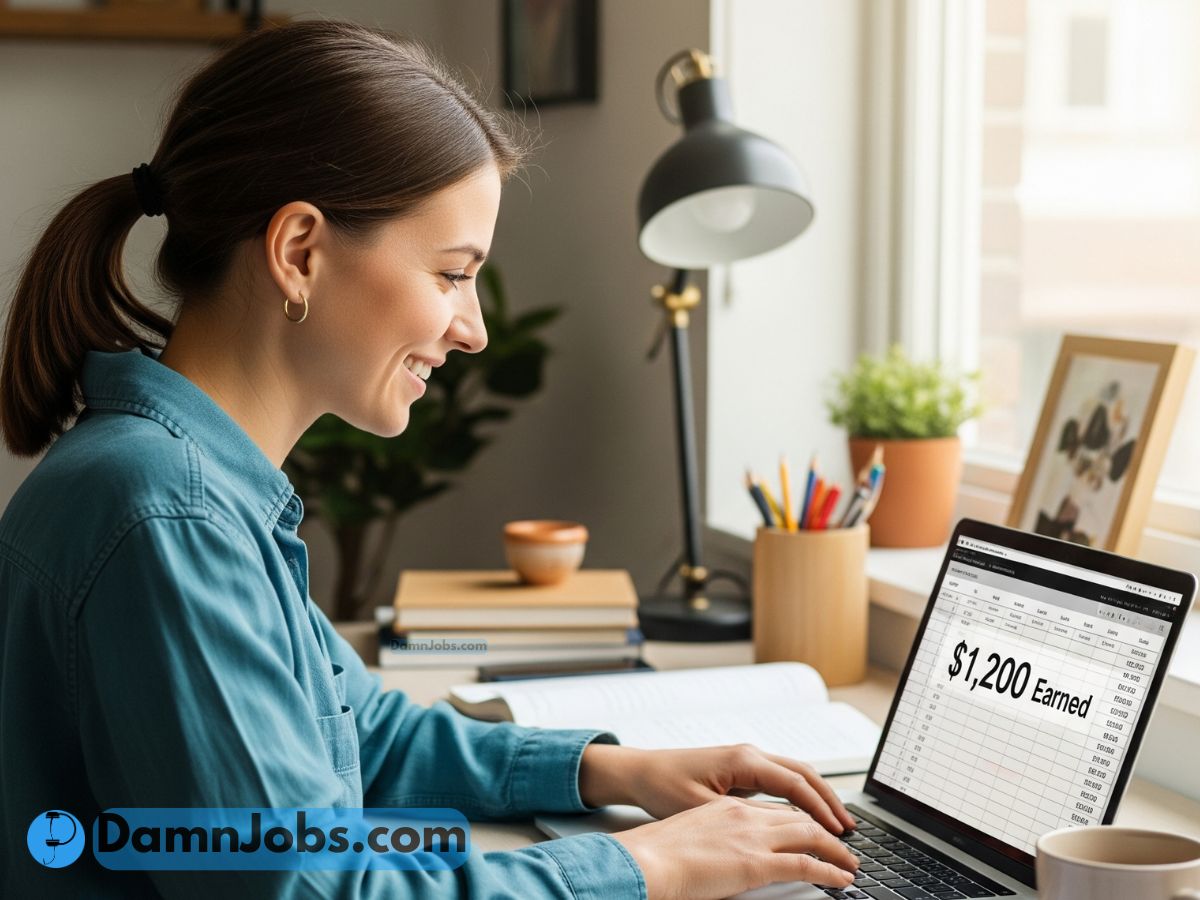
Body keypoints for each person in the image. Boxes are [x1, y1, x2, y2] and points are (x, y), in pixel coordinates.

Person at [0, 19, 859, 899]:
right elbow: (309, 889)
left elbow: (357, 726)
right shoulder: (165, 514)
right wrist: (643, 865)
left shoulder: (192, 482)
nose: (475, 326)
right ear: (299, 252)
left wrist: (616, 772)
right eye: (452, 274)